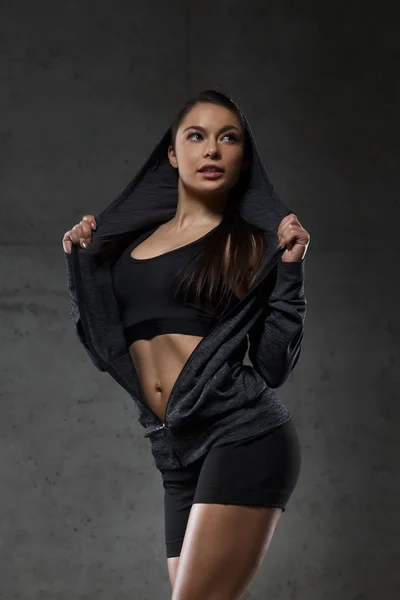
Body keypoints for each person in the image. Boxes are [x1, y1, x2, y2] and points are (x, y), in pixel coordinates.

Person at [62, 89, 310, 599]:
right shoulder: (126, 248)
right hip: (173, 452)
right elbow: (103, 349)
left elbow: (272, 364)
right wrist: (82, 263)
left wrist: (289, 270)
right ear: (172, 154)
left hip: (242, 436)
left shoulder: (247, 244)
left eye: (229, 138)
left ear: (244, 158)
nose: (212, 150)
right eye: (196, 136)